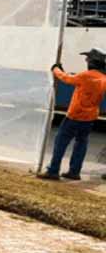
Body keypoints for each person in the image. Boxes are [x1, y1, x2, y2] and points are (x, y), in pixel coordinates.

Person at [40, 48, 106, 181]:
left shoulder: (86, 76)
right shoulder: (103, 78)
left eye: (87, 59)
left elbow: (67, 79)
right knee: (81, 143)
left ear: (92, 62)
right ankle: (74, 172)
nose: (86, 61)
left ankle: (53, 170)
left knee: (61, 142)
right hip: (90, 117)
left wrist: (56, 69)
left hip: (75, 116)